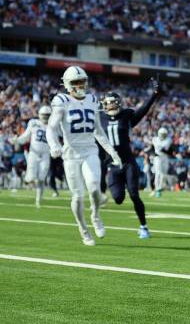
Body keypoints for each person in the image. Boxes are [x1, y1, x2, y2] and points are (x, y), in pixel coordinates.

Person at [46, 66, 122, 246]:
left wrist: (112, 152)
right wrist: (54, 144)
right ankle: (83, 229)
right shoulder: (61, 100)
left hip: (89, 150)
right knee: (78, 196)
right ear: (67, 85)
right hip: (71, 153)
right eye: (75, 82)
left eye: (82, 81)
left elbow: (99, 131)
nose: (80, 85)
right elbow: (51, 127)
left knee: (95, 187)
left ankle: (95, 215)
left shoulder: (93, 99)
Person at [99, 78, 161, 238]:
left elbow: (143, 110)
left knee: (134, 194)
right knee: (118, 199)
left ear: (118, 103)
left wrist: (154, 94)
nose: (110, 105)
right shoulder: (99, 119)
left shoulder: (126, 116)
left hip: (127, 162)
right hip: (112, 165)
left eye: (113, 103)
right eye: (108, 103)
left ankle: (144, 227)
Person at [12, 105, 52, 208]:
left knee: (41, 178)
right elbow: (26, 136)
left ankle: (38, 200)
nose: (45, 117)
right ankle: (27, 181)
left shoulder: (53, 125)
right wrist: (17, 140)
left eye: (47, 115)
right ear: (39, 115)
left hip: (45, 154)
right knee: (32, 177)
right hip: (33, 153)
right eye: (44, 115)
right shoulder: (33, 123)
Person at [150, 127, 172, 197]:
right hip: (157, 157)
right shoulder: (155, 139)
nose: (163, 136)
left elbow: (168, 150)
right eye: (162, 134)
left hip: (165, 157)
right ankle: (157, 189)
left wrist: (161, 149)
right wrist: (153, 154)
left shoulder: (168, 140)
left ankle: (158, 188)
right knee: (158, 173)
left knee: (164, 174)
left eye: (165, 134)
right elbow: (152, 148)